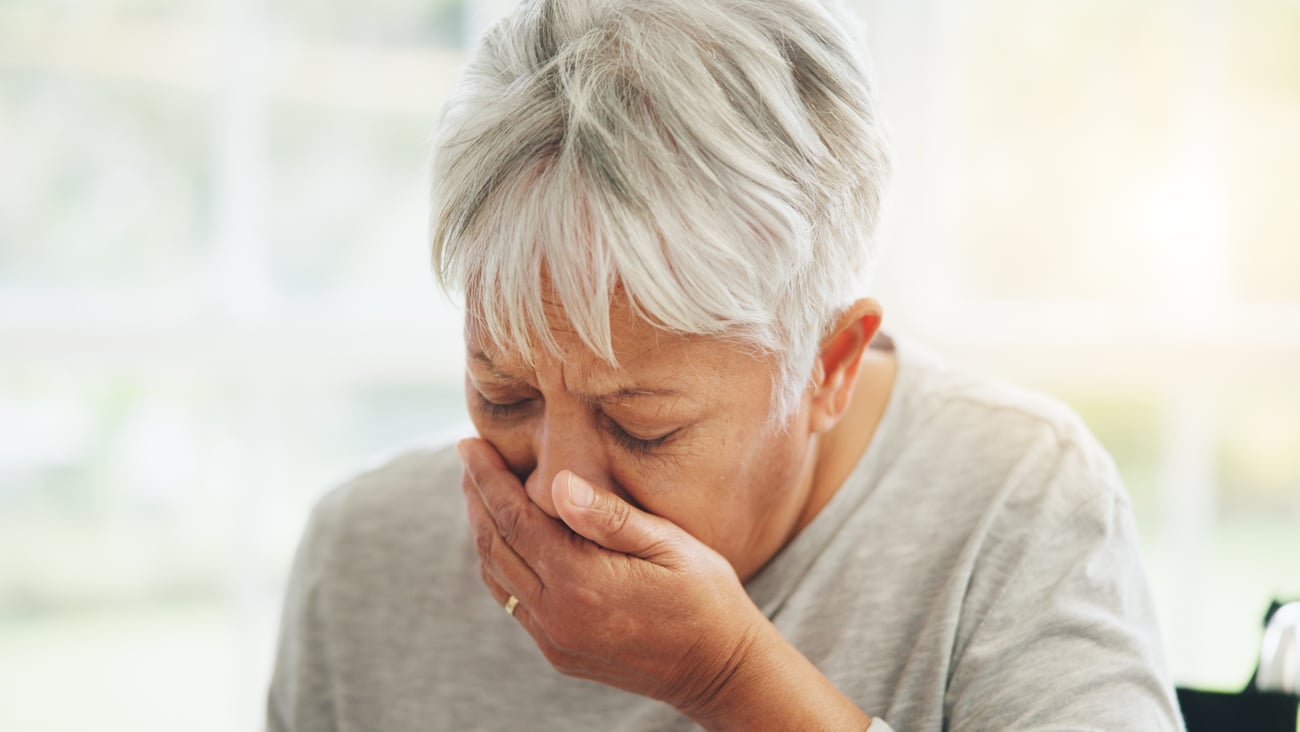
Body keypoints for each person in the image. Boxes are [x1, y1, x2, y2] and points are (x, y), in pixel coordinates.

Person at [266, 0, 1185, 729]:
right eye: (504, 392)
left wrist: (730, 679)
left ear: (829, 365)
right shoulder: (359, 560)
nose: (557, 489)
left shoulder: (1016, 498)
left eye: (642, 424)